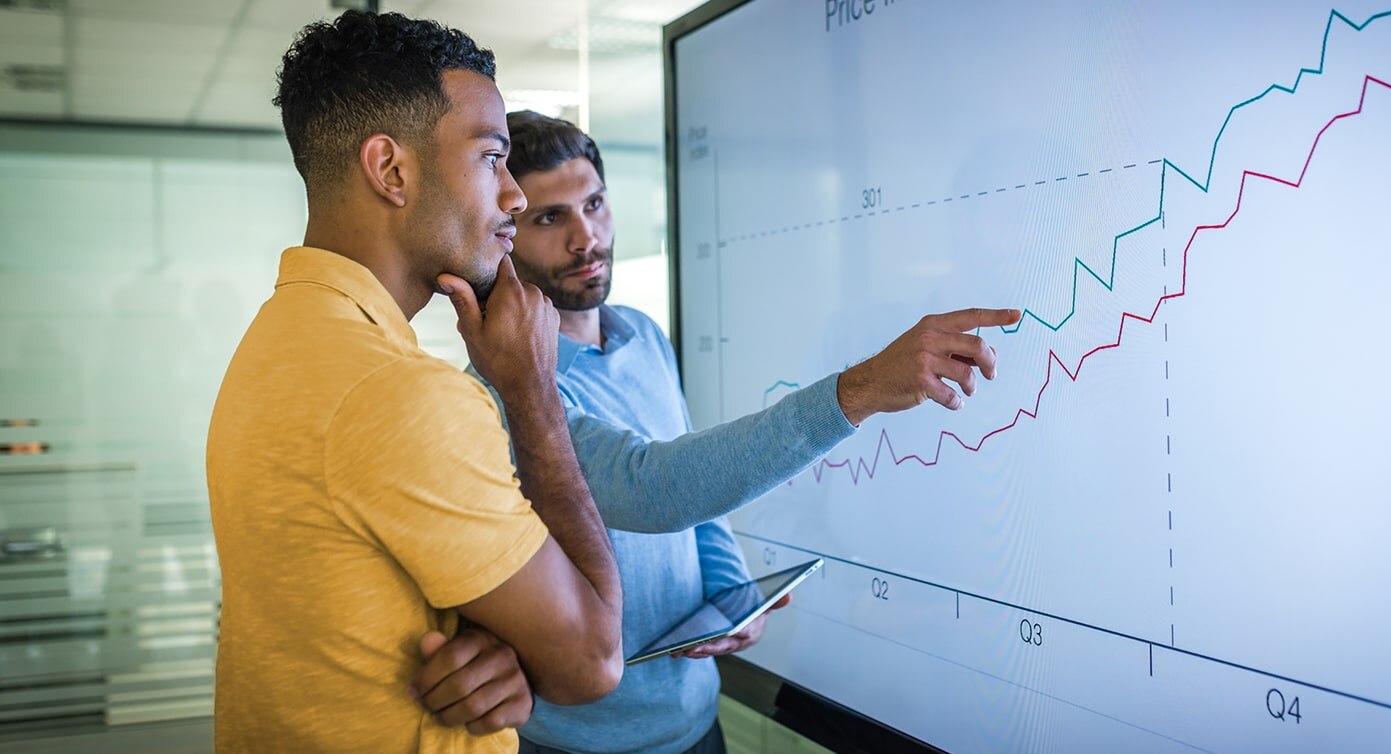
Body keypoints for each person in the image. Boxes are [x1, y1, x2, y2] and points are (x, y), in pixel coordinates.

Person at [421, 111, 1020, 754]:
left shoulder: (642, 335)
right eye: (550, 218)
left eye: (595, 204)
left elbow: (697, 507)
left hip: (696, 720)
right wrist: (864, 388)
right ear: (507, 235)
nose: (586, 237)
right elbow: (655, 488)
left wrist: (732, 595)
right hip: (581, 741)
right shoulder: (505, 386)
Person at [206, 14, 624, 753]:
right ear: (391, 170)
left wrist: (506, 647)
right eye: (492, 158)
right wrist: (531, 395)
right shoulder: (397, 394)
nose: (514, 197)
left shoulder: (278, 342)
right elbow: (592, 660)